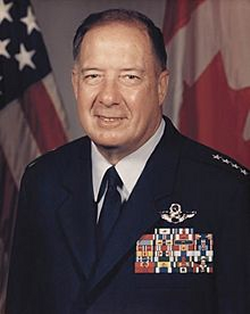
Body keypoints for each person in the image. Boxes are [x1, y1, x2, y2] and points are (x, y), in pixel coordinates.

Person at [6, 8, 250, 314]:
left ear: (161, 86)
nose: (108, 97)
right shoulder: (43, 181)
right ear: (75, 83)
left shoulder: (225, 191)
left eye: (130, 77)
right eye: (93, 76)